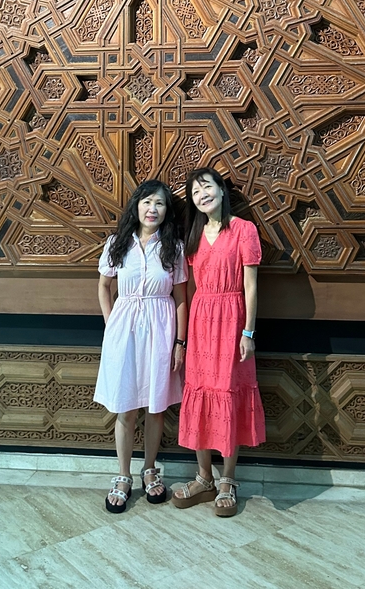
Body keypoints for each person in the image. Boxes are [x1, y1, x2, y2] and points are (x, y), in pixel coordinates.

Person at [172, 167, 265, 517]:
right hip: (201, 322)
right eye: (195, 192)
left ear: (222, 190)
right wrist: (184, 337)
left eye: (207, 187)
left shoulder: (244, 229)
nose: (202, 195)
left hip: (232, 320)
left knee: (228, 392)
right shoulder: (193, 234)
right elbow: (189, 288)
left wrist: (248, 332)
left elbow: (251, 286)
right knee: (199, 392)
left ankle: (227, 480)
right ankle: (203, 477)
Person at [94, 179, 187, 513]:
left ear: (166, 211)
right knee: (126, 407)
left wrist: (180, 341)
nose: (152, 209)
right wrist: (111, 325)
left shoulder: (173, 247)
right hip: (125, 331)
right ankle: (123, 475)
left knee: (155, 407)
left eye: (159, 203)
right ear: (136, 206)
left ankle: (150, 469)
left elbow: (181, 298)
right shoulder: (117, 243)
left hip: (161, 329)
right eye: (147, 202)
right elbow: (104, 287)